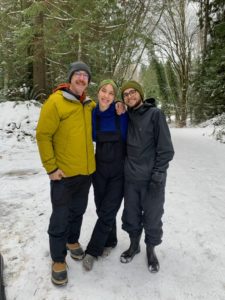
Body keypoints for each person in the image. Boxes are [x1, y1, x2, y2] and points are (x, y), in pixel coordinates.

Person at [36, 61, 96, 286]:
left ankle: (72, 240)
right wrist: (51, 168)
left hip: (85, 172)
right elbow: (43, 135)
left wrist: (118, 105)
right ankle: (58, 258)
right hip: (62, 175)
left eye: (85, 76)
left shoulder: (89, 105)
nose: (81, 78)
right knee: (60, 216)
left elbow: (105, 114)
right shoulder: (56, 102)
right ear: (70, 78)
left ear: (88, 81)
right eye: (78, 75)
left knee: (78, 211)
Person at [120, 80, 174, 273]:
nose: (129, 96)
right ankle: (134, 246)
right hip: (131, 179)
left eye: (133, 92)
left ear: (140, 94)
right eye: (125, 94)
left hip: (152, 179)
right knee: (131, 216)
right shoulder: (126, 116)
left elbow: (166, 149)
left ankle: (151, 251)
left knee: (152, 217)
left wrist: (159, 173)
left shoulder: (155, 115)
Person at [82, 79, 128, 271]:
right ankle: (112, 239)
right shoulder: (93, 114)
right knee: (103, 209)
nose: (106, 95)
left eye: (111, 93)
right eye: (104, 90)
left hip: (119, 172)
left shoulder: (120, 114)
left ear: (114, 96)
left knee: (109, 210)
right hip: (99, 170)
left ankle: (93, 250)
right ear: (98, 91)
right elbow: (89, 135)